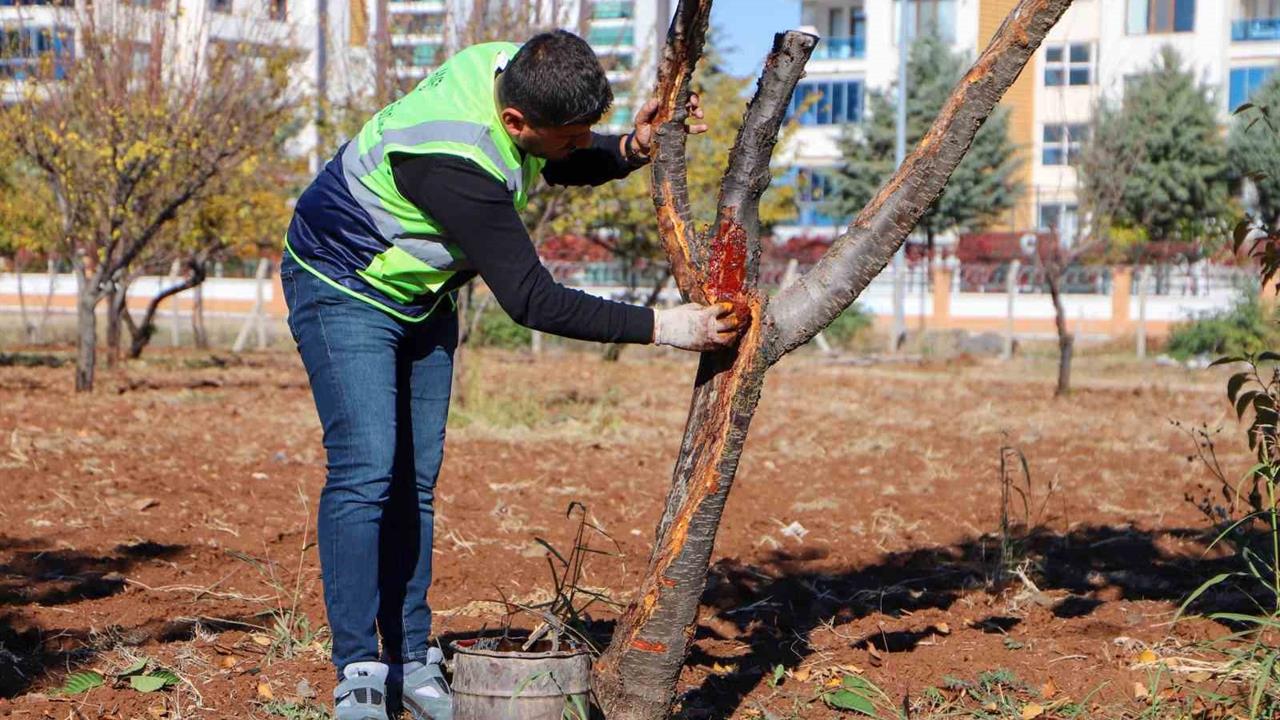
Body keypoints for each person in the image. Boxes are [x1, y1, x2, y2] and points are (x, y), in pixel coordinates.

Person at [280, 29, 742, 720]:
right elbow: (533, 300)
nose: (575, 142)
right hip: (342, 285)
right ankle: (360, 670)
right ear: (517, 120)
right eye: (570, 134)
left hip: (419, 295)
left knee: (415, 481)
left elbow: (557, 157)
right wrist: (664, 327)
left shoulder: (513, 71)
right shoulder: (453, 164)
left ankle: (408, 656)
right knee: (366, 471)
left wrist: (628, 148)